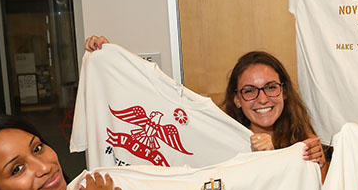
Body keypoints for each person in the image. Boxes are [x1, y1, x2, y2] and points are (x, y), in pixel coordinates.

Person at [84, 38, 327, 179]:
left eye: (271, 87)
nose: (263, 99)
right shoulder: (215, 138)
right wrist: (108, 59)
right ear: (237, 99)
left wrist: (295, 159)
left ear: (283, 91)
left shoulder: (305, 145)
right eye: (250, 91)